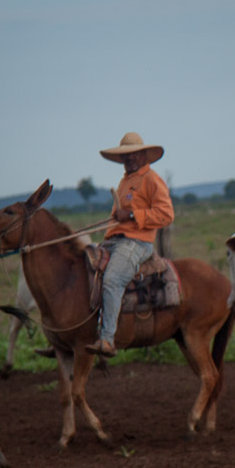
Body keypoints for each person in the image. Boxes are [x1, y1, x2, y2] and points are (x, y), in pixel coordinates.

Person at [88, 132, 175, 356]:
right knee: (83, 269)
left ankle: (107, 340)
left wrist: (133, 216)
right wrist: (118, 219)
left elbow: (166, 214)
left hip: (137, 243)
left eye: (134, 154)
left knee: (112, 281)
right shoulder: (125, 181)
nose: (129, 159)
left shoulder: (152, 179)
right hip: (114, 240)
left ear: (144, 154)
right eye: (125, 156)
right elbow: (120, 215)